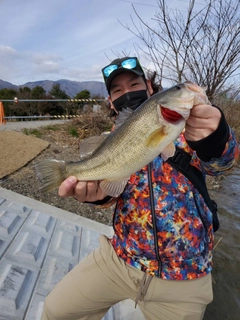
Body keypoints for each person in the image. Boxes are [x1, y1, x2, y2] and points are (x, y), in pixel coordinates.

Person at [41, 57, 239, 320]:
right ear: (111, 101)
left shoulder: (189, 129)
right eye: (117, 90)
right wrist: (98, 198)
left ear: (150, 87)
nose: (127, 93)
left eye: (134, 83)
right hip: (121, 257)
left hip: (185, 273)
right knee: (56, 310)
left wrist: (216, 139)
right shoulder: (111, 139)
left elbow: (223, 166)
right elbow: (111, 192)